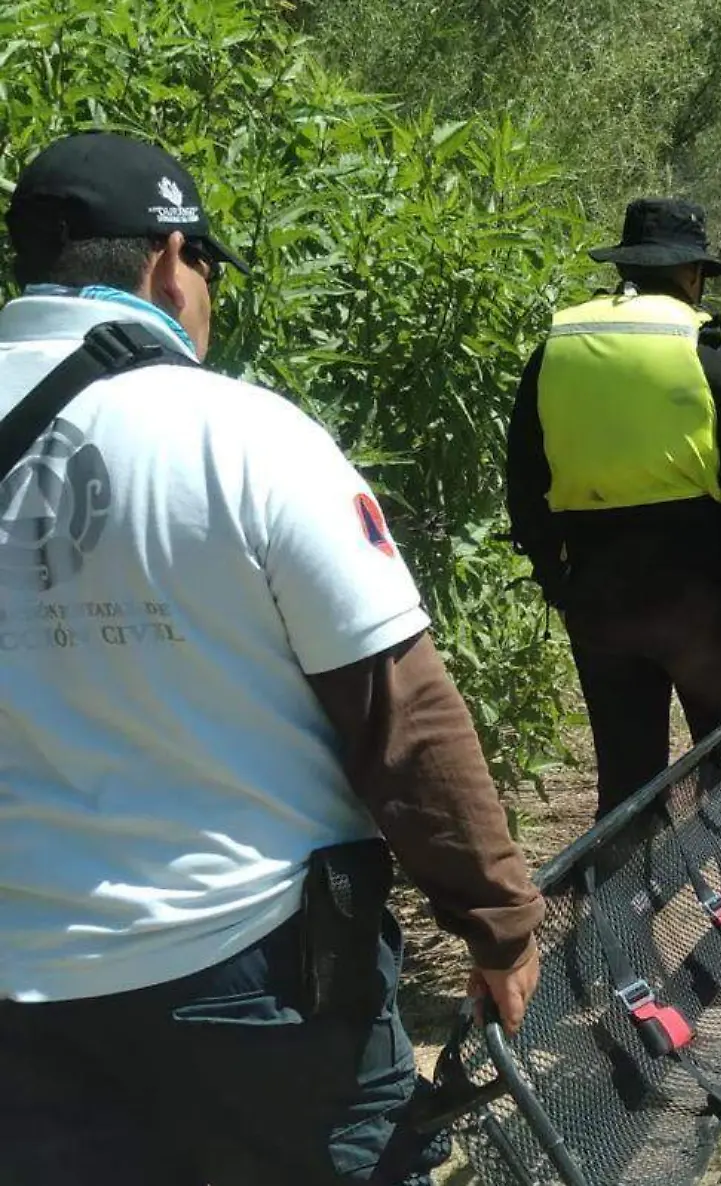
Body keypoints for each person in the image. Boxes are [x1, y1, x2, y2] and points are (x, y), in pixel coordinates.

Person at [0, 131, 545, 1185]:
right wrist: (500, 924)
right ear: (167, 258)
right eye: (205, 263)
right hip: (250, 977)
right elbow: (403, 715)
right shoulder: (242, 433)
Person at [507, 198, 721, 819]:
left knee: (626, 788)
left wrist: (560, 583)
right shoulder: (710, 355)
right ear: (691, 275)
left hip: (600, 601)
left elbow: (523, 486)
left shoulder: (557, 352)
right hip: (702, 607)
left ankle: (616, 914)